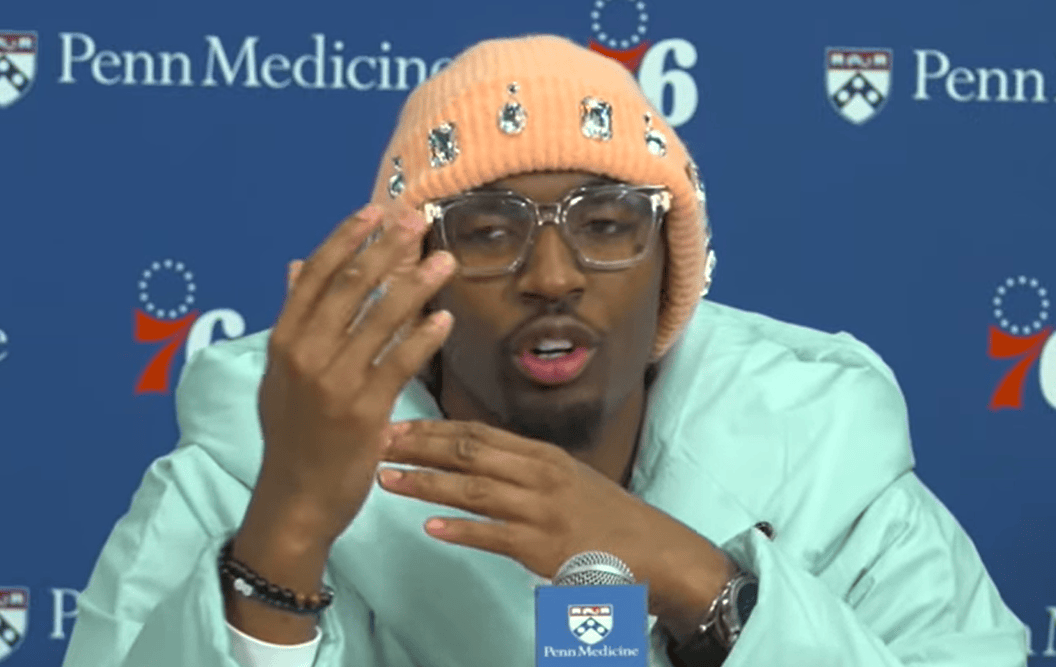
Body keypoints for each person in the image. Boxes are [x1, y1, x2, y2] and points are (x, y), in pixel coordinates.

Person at [61, 35, 1028, 667]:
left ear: (671, 266)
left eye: (606, 224)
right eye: (488, 230)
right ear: (415, 267)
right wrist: (289, 523)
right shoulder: (251, 467)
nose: (553, 275)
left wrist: (700, 582)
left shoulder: (817, 457)